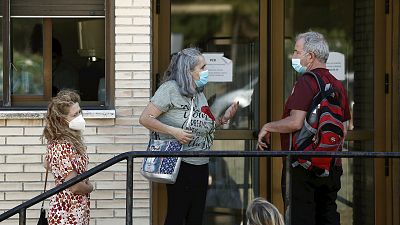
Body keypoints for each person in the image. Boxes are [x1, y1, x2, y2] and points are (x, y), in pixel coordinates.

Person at [257, 31, 351, 225]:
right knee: (328, 214)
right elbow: (344, 128)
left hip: (303, 165)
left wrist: (268, 126)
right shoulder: (337, 85)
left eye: (296, 52)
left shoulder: (307, 82)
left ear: (310, 57)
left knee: (300, 217)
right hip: (331, 165)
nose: (293, 56)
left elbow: (295, 122)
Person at [139, 47, 239, 225]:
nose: (206, 71)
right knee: (177, 215)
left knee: (196, 217)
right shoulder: (169, 89)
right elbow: (145, 118)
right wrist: (174, 132)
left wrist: (223, 118)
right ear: (188, 71)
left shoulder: (198, 94)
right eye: (202, 67)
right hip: (180, 164)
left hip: (201, 163)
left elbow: (202, 126)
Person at [42, 90, 93, 225]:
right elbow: (75, 187)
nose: (79, 117)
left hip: (76, 211)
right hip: (67, 214)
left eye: (79, 112)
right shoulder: (62, 145)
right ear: (61, 120)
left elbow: (47, 164)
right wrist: (90, 188)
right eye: (75, 115)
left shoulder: (67, 141)